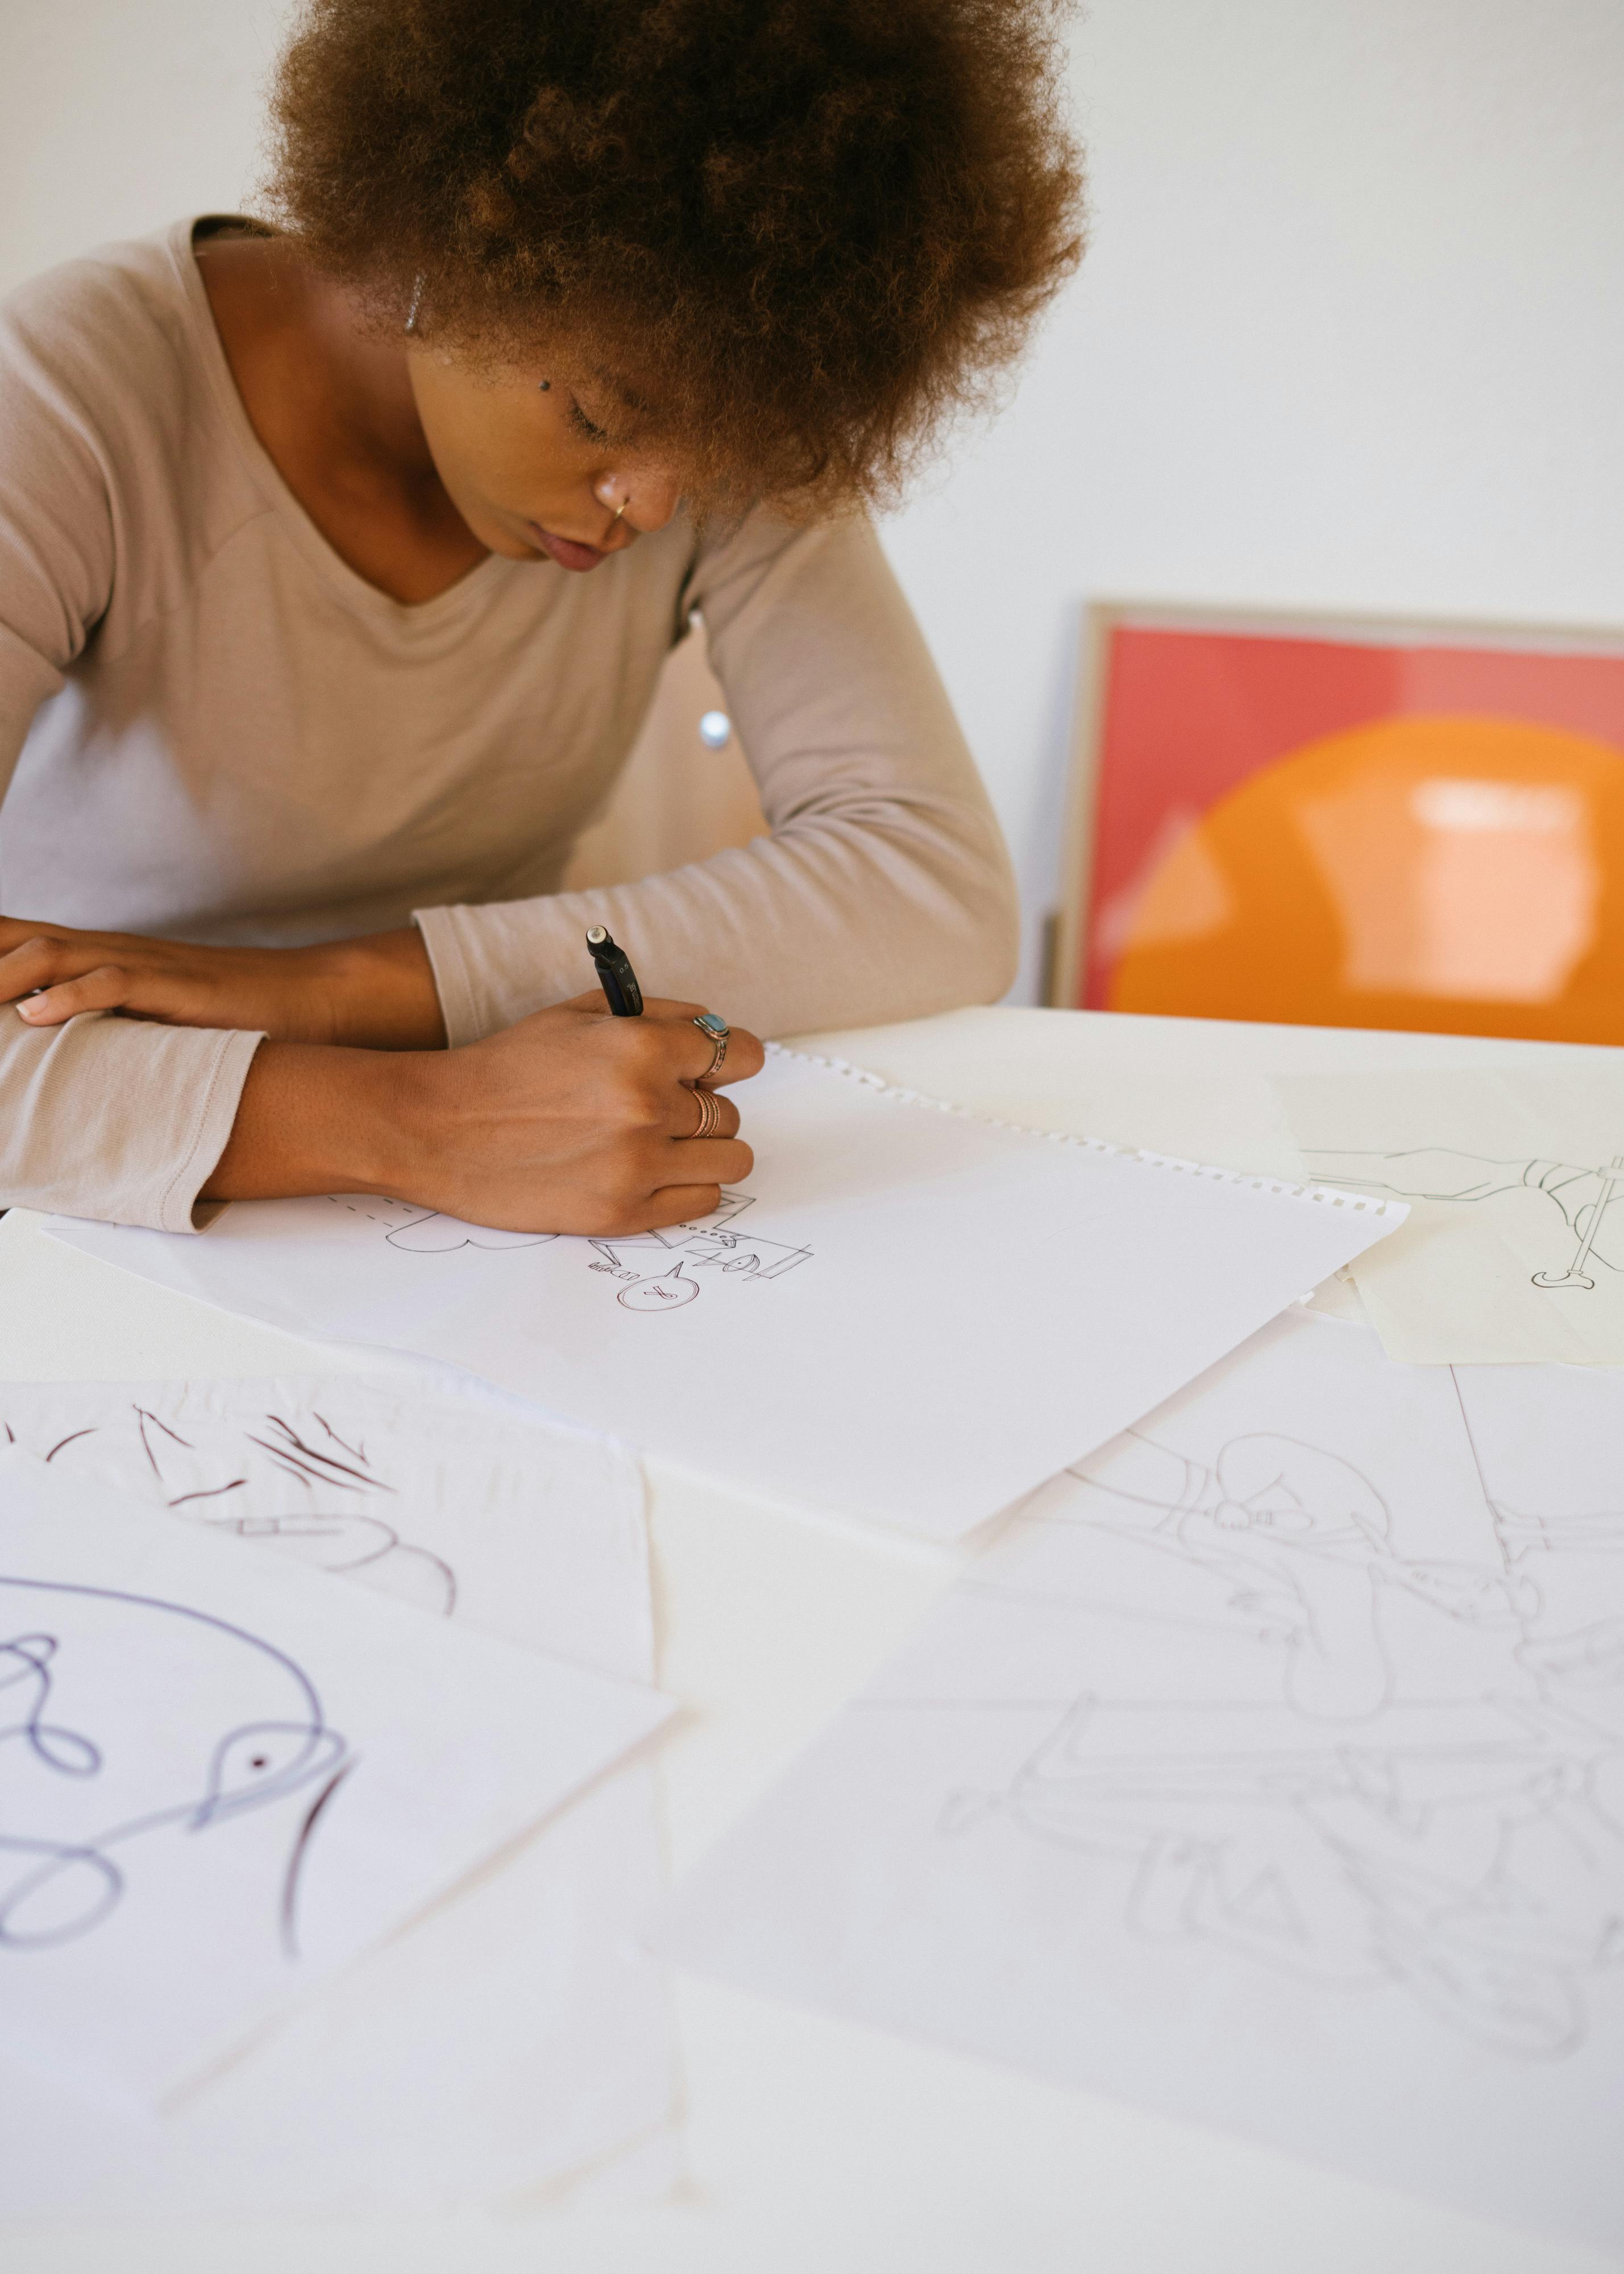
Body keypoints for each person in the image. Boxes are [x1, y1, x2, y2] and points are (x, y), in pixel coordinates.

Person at [0, 0, 1083, 1236]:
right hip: (81, 1195)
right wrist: (414, 1123)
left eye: (720, 454)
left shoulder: (723, 388)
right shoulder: (67, 397)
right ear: (440, 247)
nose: (658, 501)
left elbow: (933, 890)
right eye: (603, 417)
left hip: (491, 1195)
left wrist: (335, 989)